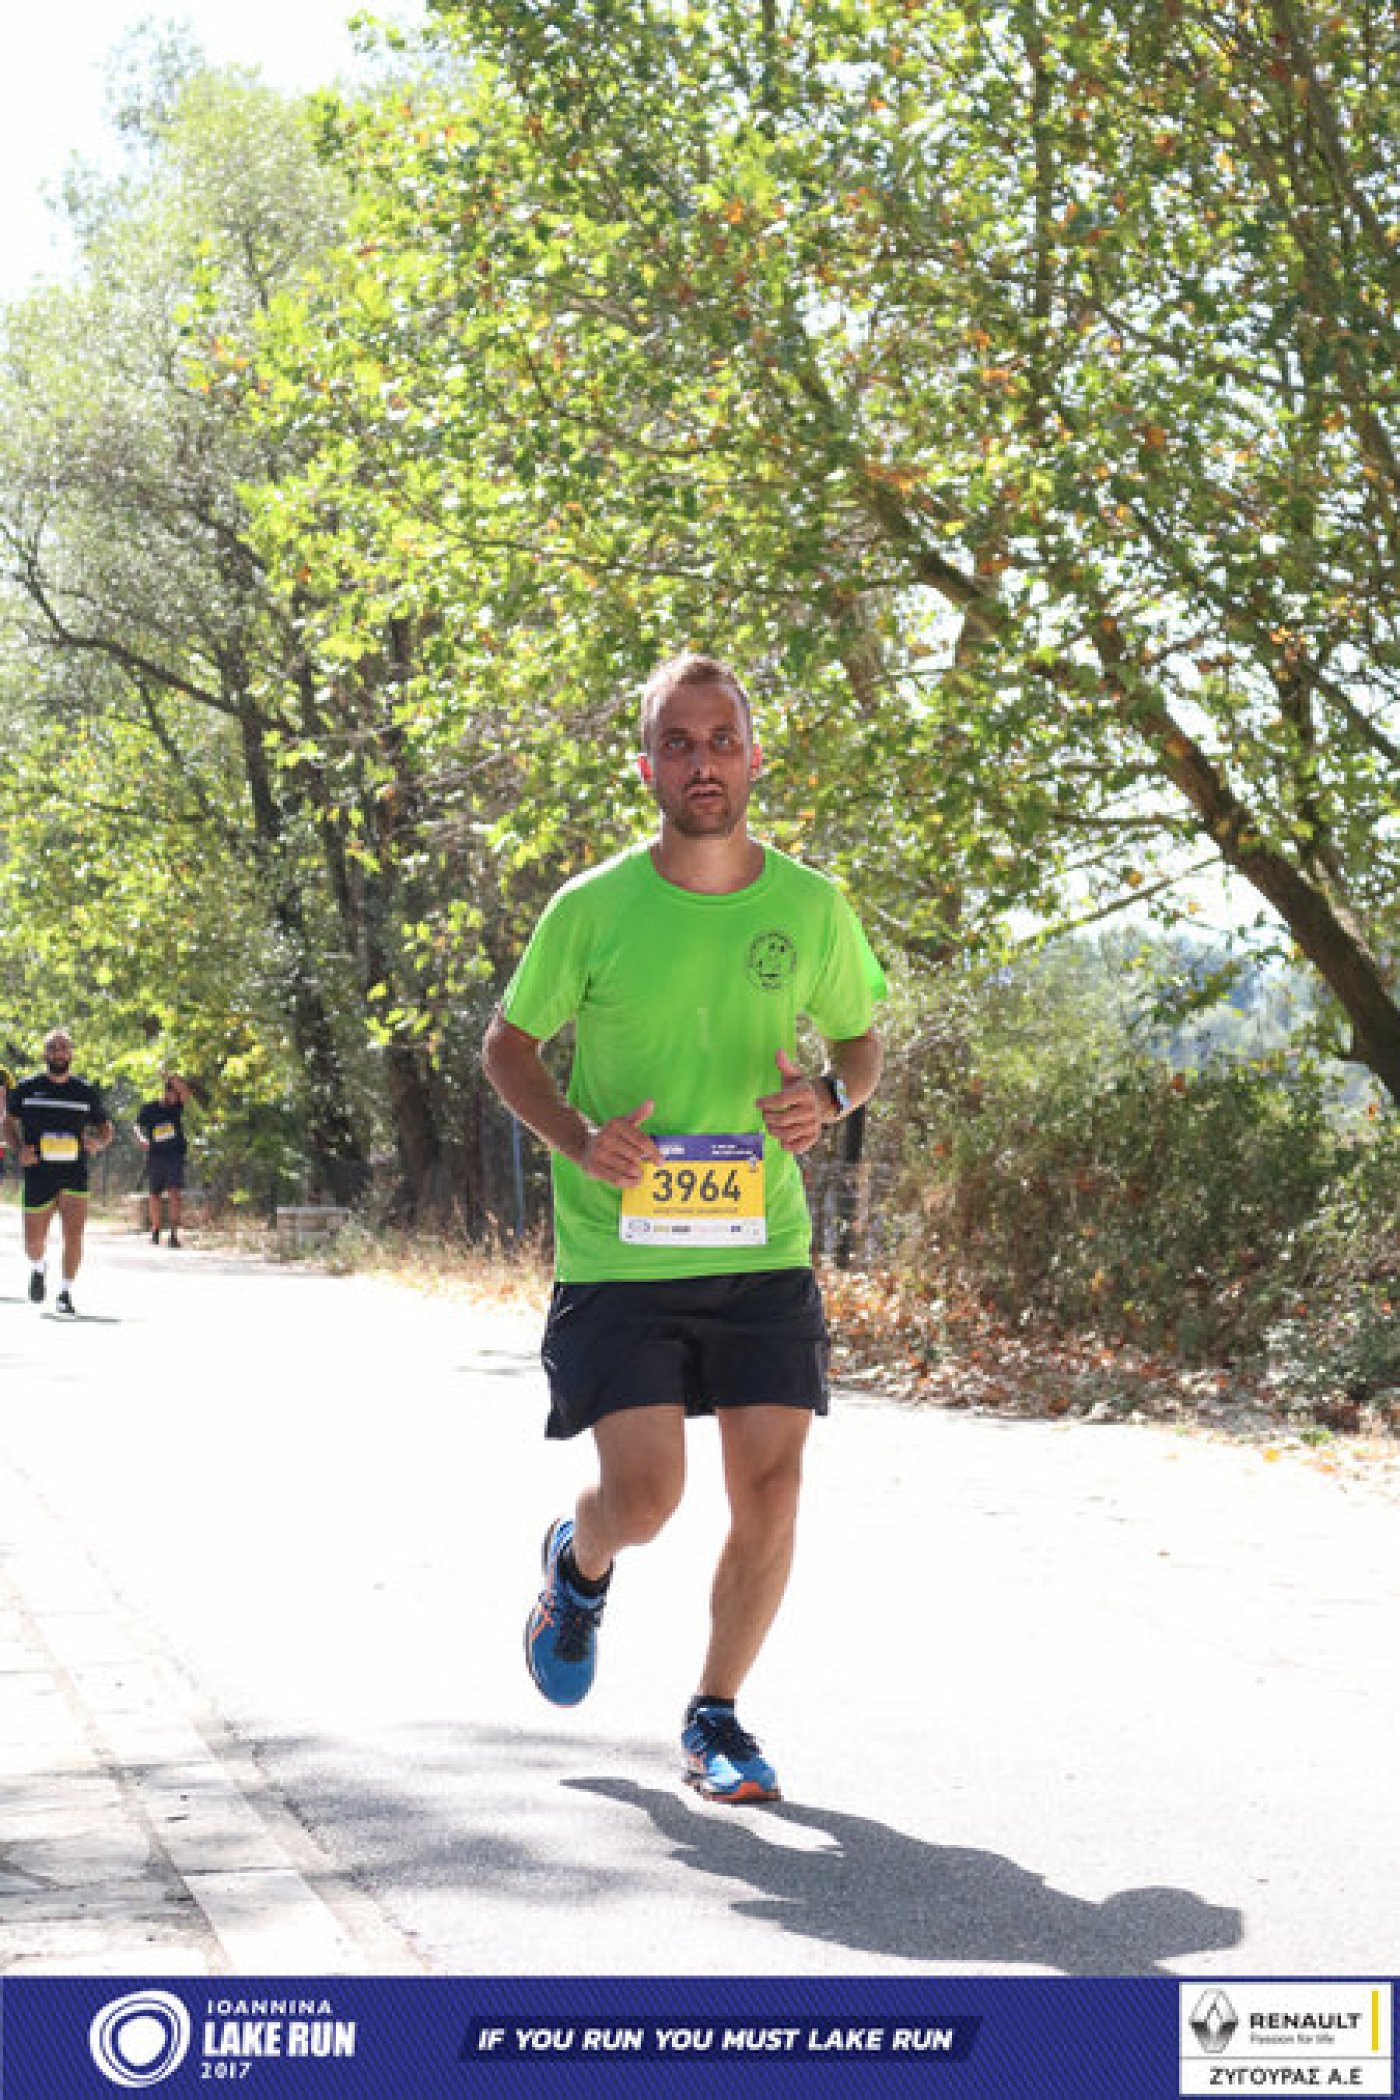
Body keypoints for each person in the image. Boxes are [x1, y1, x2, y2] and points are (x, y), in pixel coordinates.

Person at [482, 651, 885, 1804]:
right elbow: (508, 1049)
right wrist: (578, 1140)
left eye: (719, 741)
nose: (701, 763)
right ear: (645, 767)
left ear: (754, 758)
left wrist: (829, 1097)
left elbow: (858, 1042)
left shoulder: (808, 906)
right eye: (677, 744)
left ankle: (716, 1713)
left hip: (760, 1244)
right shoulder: (592, 907)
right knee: (646, 1500)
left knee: (772, 1491)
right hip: (621, 1253)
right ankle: (579, 1563)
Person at [2, 1028, 115, 1317]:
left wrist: (99, 1142)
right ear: (45, 1054)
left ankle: (65, 1292)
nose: (59, 1052)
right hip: (38, 1173)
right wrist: (19, 1150)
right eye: (53, 1047)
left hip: (74, 1173)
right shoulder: (27, 1088)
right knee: (33, 1243)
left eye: (64, 1047)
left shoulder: (84, 1092)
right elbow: (7, 1123)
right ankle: (38, 1267)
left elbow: (106, 1128)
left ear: (71, 1053)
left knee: (74, 1235)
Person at [135, 1074, 192, 1246]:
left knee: (175, 1193)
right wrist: (141, 1138)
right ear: (166, 1093)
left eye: (177, 1095)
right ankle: (155, 1229)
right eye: (173, 1094)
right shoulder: (150, 1108)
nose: (175, 1098)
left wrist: (171, 1078)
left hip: (175, 1155)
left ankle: (173, 1234)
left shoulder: (177, 1108)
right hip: (156, 1155)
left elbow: (186, 1092)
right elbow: (137, 1126)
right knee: (155, 1194)